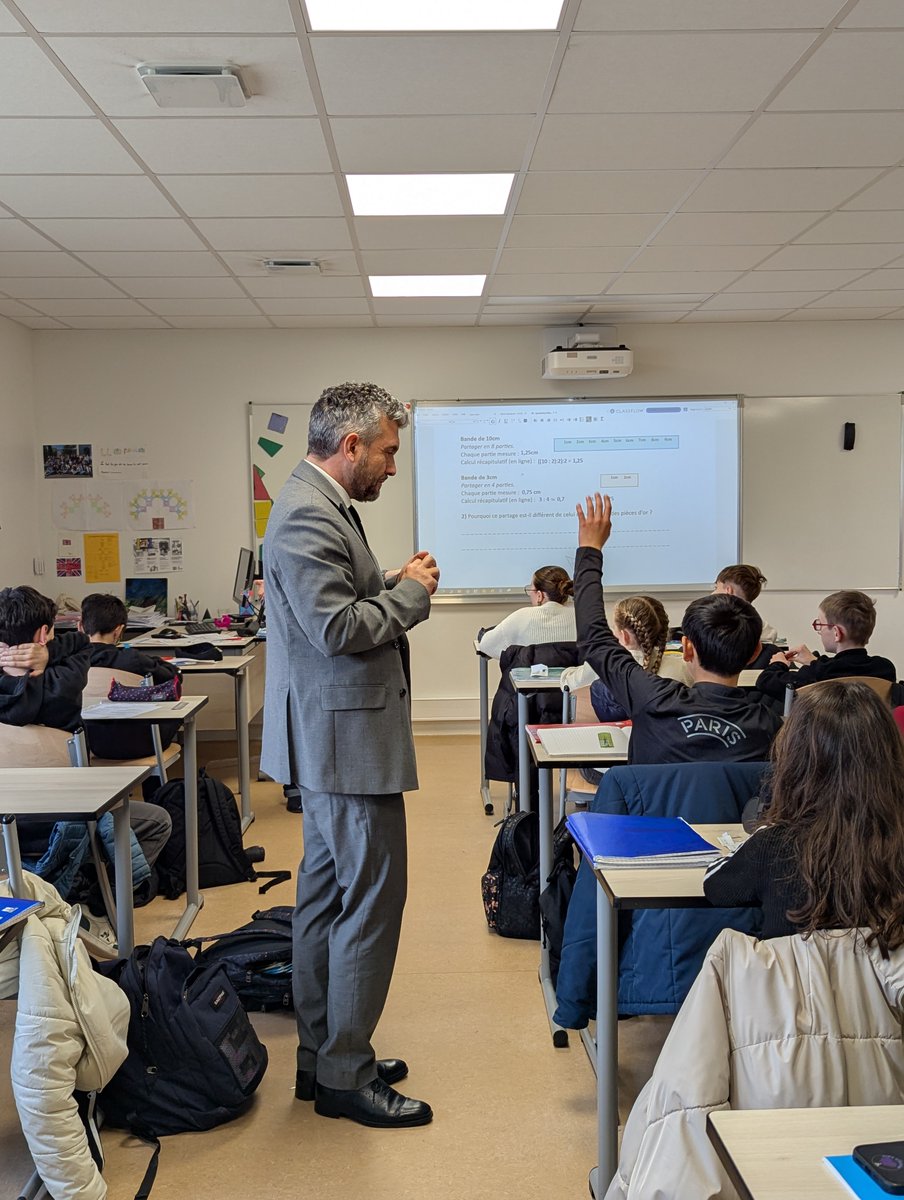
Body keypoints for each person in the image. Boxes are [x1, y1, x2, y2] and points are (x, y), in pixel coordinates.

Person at [261, 381, 440, 1129]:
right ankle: (344, 1072)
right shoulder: (305, 513)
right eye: (389, 453)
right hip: (345, 745)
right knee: (371, 901)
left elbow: (330, 602)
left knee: (328, 898)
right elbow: (335, 628)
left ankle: (323, 1054)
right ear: (351, 445)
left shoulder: (316, 503)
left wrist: (387, 579)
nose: (392, 468)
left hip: (338, 739)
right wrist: (412, 597)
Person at [573, 494, 781, 763]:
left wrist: (590, 549)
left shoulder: (652, 698)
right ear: (755, 651)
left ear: (687, 648)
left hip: (652, 808)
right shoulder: (771, 728)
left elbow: (595, 639)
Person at [704, 678, 904, 949]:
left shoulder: (773, 845)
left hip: (799, 991)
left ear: (796, 760)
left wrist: (761, 833)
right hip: (888, 991)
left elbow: (715, 886)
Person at [0, 586, 172, 878]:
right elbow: (81, 643)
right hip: (67, 819)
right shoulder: (63, 682)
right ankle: (96, 890)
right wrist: (46, 654)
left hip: (6, 828)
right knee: (159, 821)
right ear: (43, 634)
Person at [559, 593, 688, 720]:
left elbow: (568, 685)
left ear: (624, 636)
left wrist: (567, 672)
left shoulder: (603, 664)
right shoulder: (683, 668)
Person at [755, 589, 896, 704]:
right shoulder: (885, 669)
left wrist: (778, 664)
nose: (819, 630)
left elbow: (766, 681)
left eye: (820, 624)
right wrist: (813, 661)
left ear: (836, 633)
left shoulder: (815, 675)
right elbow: (845, 665)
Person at [476, 565, 575, 659]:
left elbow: (486, 645)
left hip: (528, 677)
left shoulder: (522, 616)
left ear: (540, 595)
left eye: (530, 590)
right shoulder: (581, 618)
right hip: (572, 676)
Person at [714, 563, 779, 643]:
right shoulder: (763, 628)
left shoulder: (712, 622)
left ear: (728, 590)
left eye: (716, 587)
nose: (713, 593)